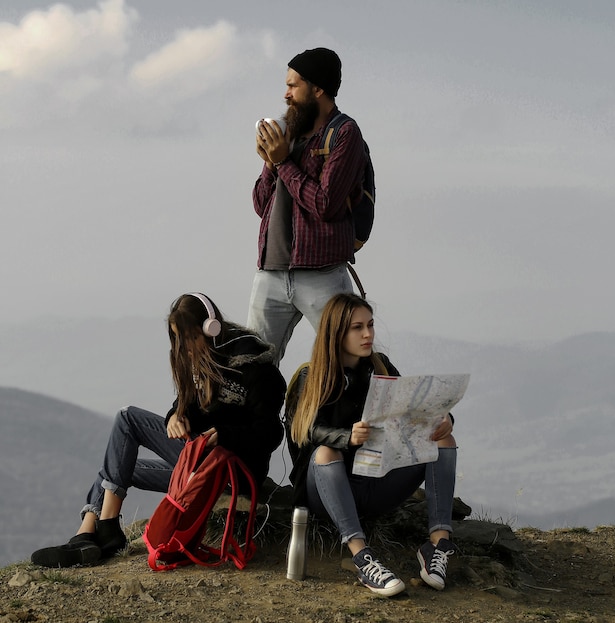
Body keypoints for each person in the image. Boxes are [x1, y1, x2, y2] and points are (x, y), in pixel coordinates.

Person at [31, 292, 286, 568]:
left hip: (229, 471)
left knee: (128, 420)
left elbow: (270, 434)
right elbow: (184, 405)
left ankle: (101, 531)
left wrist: (224, 434)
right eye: (176, 338)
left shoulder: (257, 370)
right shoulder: (202, 358)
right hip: (196, 460)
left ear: (210, 328)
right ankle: (87, 535)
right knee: (119, 464)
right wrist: (174, 417)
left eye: (188, 337)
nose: (183, 346)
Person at [286, 293, 458, 597]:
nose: (368, 334)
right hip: (326, 490)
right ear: (336, 332)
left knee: (443, 439)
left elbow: (412, 409)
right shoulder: (311, 376)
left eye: (370, 325)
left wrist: (444, 419)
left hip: (376, 480)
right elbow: (305, 430)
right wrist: (346, 437)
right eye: (357, 327)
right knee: (327, 452)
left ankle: (438, 545)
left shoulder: (380, 366)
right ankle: (362, 557)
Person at [248, 47, 369, 364]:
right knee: (253, 370)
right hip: (271, 273)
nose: (285, 94)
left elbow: (326, 205)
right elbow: (262, 205)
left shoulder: (344, 133)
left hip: (323, 274)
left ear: (318, 88)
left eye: (293, 85)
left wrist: (283, 162)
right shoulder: (288, 131)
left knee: (348, 363)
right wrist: (270, 165)